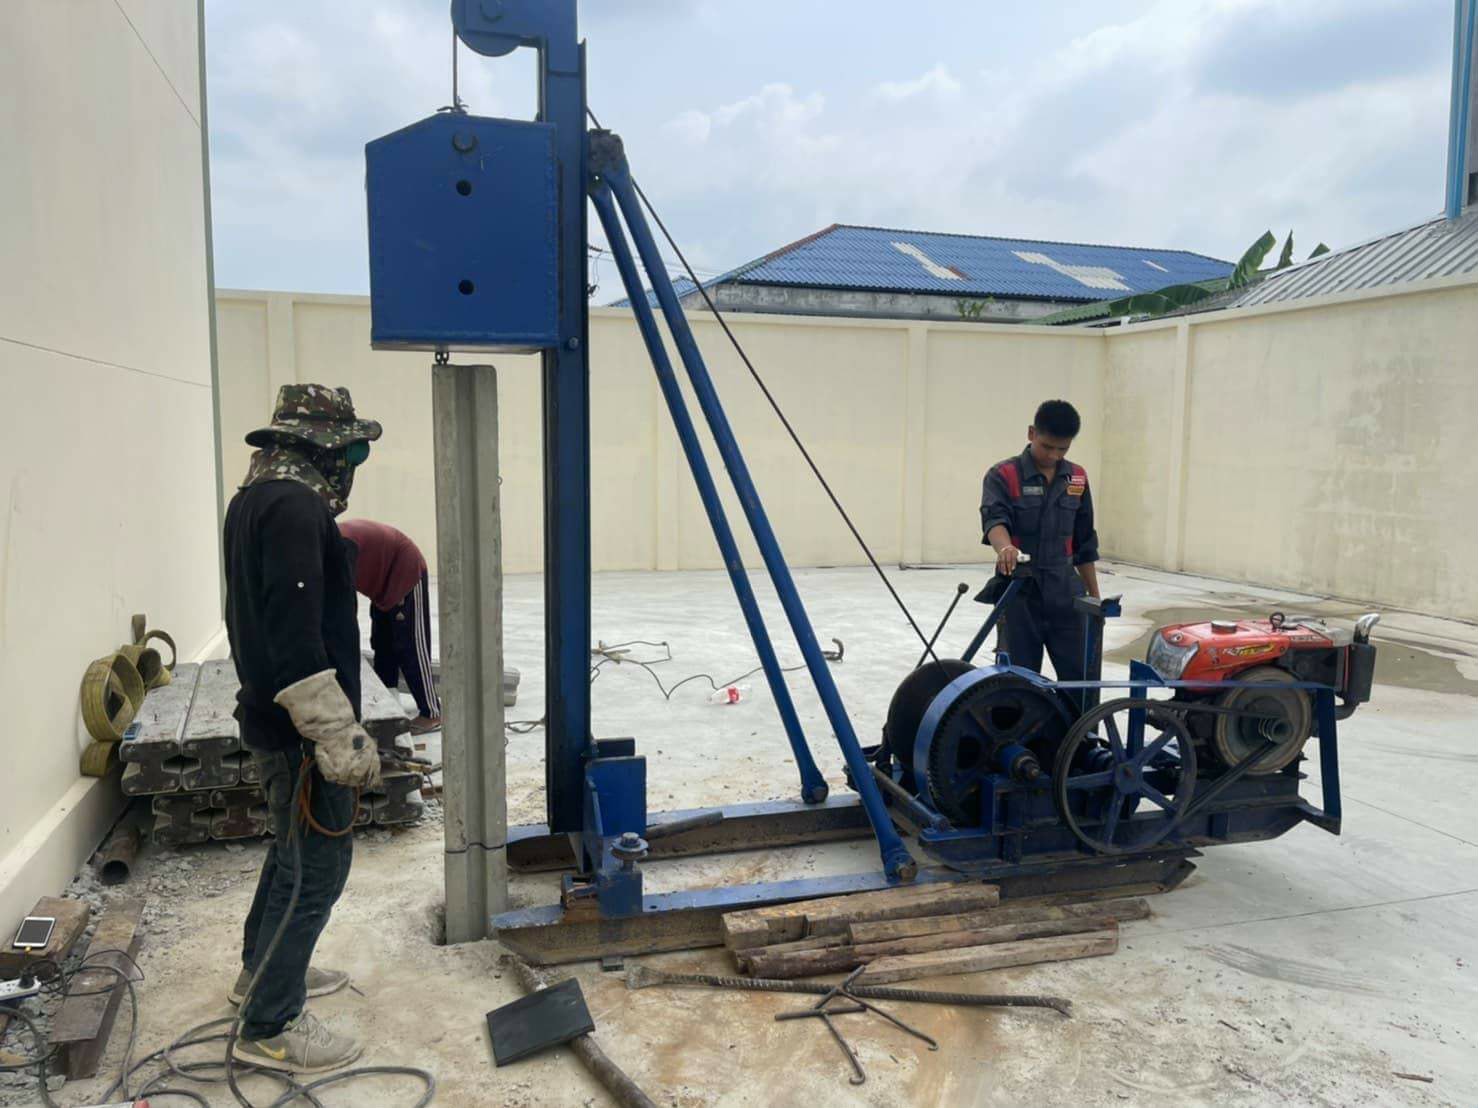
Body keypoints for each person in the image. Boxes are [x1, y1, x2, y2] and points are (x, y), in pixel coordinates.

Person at [223, 383, 383, 1074]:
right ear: (324, 445)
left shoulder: (255, 498)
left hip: (270, 714)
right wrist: (335, 732)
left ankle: (259, 974)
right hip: (299, 730)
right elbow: (292, 634)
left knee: (290, 858)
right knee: (317, 870)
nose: (353, 464)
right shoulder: (294, 507)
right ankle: (270, 1024)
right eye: (353, 451)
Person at [980, 399, 1100, 682]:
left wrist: (1095, 599)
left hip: (1066, 594)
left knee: (1081, 680)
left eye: (1063, 449)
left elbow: (1084, 542)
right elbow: (994, 520)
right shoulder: (1003, 475)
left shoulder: (1076, 478)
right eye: (1047, 447)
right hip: (1020, 593)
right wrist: (1005, 548)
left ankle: (1077, 715)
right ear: (1031, 433)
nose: (1054, 456)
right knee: (1017, 681)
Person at [336, 519, 441, 734]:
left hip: (404, 569)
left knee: (411, 645)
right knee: (382, 644)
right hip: (381, 583)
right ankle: (387, 706)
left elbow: (344, 607)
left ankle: (432, 712)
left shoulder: (339, 547)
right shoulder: (324, 543)